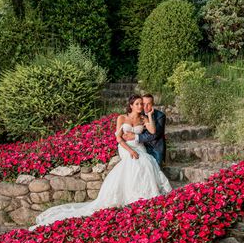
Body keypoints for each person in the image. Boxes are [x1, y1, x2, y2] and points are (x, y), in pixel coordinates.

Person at [30, 95, 172, 229]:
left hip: (139, 146)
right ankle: (132, 194)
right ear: (131, 105)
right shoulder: (122, 118)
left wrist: (149, 115)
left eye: (142, 104)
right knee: (133, 161)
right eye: (138, 104)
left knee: (146, 162)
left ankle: (143, 193)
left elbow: (153, 131)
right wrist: (130, 151)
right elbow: (119, 139)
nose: (141, 106)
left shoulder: (143, 118)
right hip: (126, 147)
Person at [122, 94, 166, 166]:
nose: (145, 107)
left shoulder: (160, 116)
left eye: (148, 104)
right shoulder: (138, 112)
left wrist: (135, 136)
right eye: (144, 104)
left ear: (153, 104)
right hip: (141, 145)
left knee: (155, 168)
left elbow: (155, 135)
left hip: (155, 147)